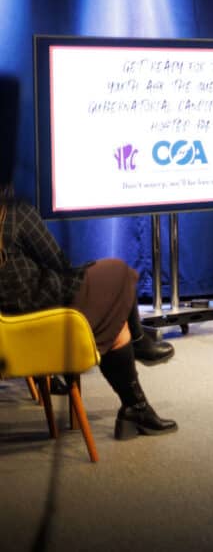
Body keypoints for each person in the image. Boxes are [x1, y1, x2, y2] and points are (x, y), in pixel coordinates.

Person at [0, 184, 177, 439]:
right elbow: (58, 262)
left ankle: (137, 406)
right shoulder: (15, 212)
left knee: (113, 312)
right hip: (45, 319)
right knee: (117, 273)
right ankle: (137, 359)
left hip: (10, 331)